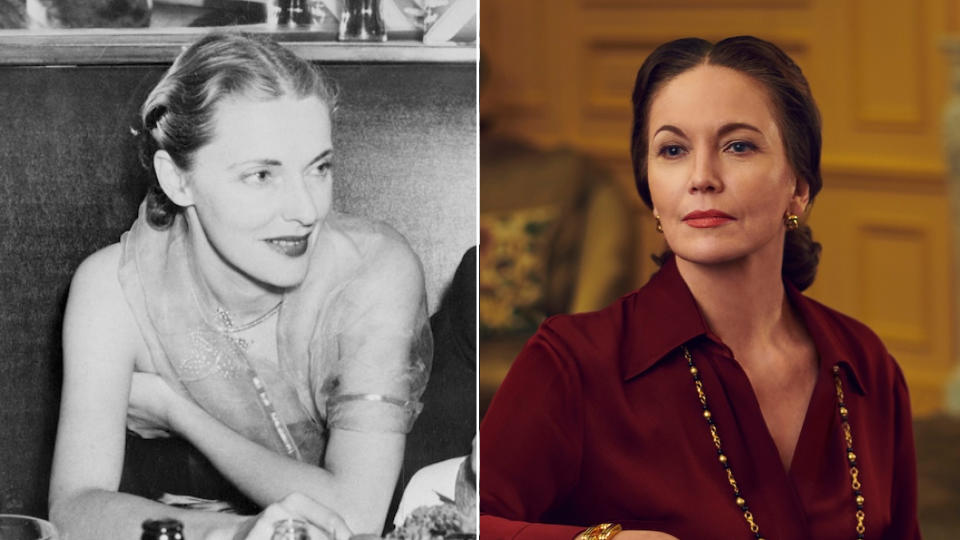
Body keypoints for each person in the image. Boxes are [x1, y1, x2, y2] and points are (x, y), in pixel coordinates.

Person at [479, 36, 921, 540]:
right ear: (651, 188)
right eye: (673, 149)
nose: (702, 177)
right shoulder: (573, 365)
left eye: (738, 146)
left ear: (798, 189)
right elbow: (461, 525)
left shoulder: (865, 364)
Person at [49, 32, 431, 540]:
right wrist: (235, 535)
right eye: (260, 175)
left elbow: (355, 517)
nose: (307, 210)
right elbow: (73, 507)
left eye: (319, 168)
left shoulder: (375, 272)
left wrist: (176, 410)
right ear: (177, 180)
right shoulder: (112, 290)